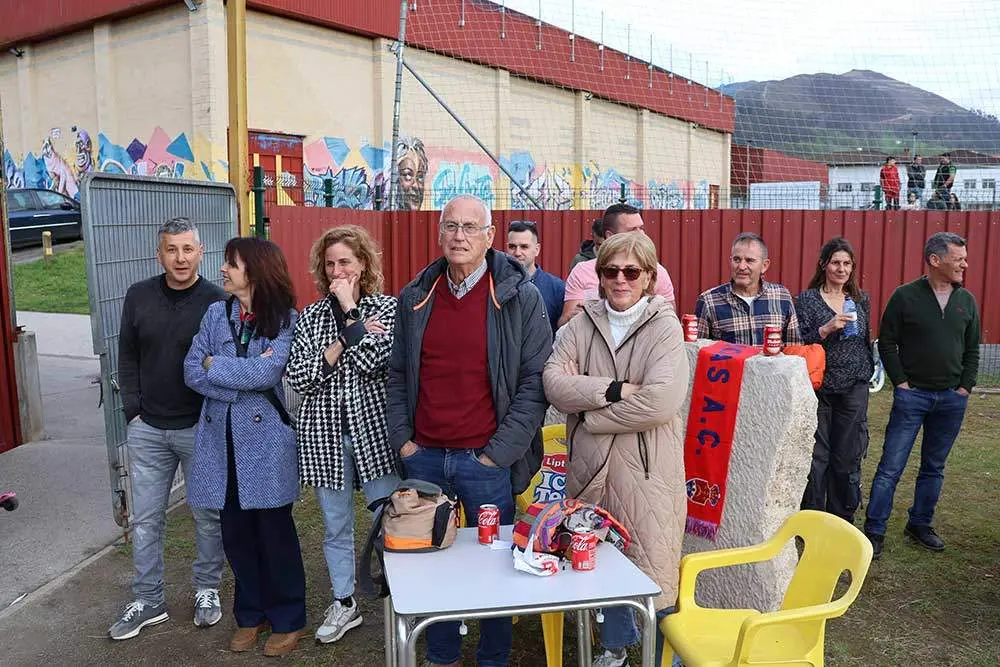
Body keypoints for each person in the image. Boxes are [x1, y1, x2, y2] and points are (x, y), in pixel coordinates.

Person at [387, 194, 552, 667]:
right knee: (430, 560)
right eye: (451, 226)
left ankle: (494, 656)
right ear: (439, 233)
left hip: (485, 460)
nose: (459, 236)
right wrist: (405, 441)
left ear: (489, 236)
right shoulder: (416, 296)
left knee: (493, 566)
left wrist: (497, 454)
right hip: (424, 457)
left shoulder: (520, 296)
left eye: (470, 228)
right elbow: (398, 374)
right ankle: (442, 654)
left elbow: (533, 383)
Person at [543, 232, 688, 667]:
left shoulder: (665, 327)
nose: (621, 280)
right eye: (611, 270)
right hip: (589, 473)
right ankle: (614, 649)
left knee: (654, 568)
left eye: (631, 271)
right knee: (601, 565)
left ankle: (665, 657)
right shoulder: (580, 325)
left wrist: (592, 416)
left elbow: (662, 401)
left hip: (648, 474)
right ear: (600, 275)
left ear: (648, 277)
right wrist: (615, 389)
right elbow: (554, 384)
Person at [183, 237, 306, 656]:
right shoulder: (216, 314)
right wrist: (232, 373)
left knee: (274, 534)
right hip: (221, 443)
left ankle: (288, 618)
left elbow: (269, 373)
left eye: (231, 263)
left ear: (253, 269)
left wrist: (217, 368)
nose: (223, 270)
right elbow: (190, 369)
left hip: (267, 444)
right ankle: (250, 614)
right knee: (236, 535)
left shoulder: (286, 319)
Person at [109, 217, 226, 640]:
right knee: (145, 519)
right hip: (148, 429)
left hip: (199, 427)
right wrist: (133, 410)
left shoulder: (216, 302)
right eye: (171, 250)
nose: (180, 258)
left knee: (208, 515)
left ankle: (207, 589)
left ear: (200, 252)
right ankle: (148, 599)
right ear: (159, 254)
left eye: (188, 249)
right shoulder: (139, 296)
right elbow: (127, 354)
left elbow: (222, 361)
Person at [285, 225, 400, 645]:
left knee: (388, 519)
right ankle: (344, 602)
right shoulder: (310, 317)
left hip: (374, 433)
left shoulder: (386, 310)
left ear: (364, 264)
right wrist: (345, 340)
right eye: (330, 263)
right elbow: (300, 378)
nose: (337, 270)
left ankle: (398, 597)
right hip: (324, 435)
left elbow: (376, 363)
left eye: (345, 262)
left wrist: (352, 312)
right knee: (336, 525)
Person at [864, 232, 979, 558]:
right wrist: (900, 382)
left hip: (951, 400)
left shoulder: (966, 300)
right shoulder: (905, 297)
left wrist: (964, 387)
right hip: (912, 398)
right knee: (890, 467)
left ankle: (920, 524)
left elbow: (972, 349)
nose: (965, 265)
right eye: (959, 260)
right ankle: (874, 530)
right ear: (935, 260)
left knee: (934, 467)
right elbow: (886, 341)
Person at [795, 238, 874, 524]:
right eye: (836, 263)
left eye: (847, 264)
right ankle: (813, 518)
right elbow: (799, 340)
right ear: (824, 265)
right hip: (819, 386)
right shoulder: (806, 299)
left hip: (854, 385)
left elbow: (866, 340)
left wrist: (868, 370)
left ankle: (842, 518)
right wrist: (826, 328)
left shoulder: (860, 299)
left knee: (847, 454)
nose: (841, 269)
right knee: (817, 456)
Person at [558, 204, 675, 327]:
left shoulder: (658, 272)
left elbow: (670, 321)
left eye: (641, 228)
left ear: (648, 277)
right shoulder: (582, 271)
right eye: (633, 230)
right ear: (610, 236)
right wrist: (574, 319)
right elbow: (564, 323)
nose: (641, 235)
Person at [695, 232, 802, 346]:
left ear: (764, 265)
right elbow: (696, 352)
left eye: (749, 260)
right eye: (737, 259)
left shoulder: (782, 297)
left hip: (771, 364)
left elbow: (794, 348)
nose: (741, 266)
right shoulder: (709, 301)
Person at [506, 220, 565, 334]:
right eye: (512, 246)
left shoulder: (556, 288)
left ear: (537, 250)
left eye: (524, 247)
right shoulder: (494, 284)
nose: (517, 252)